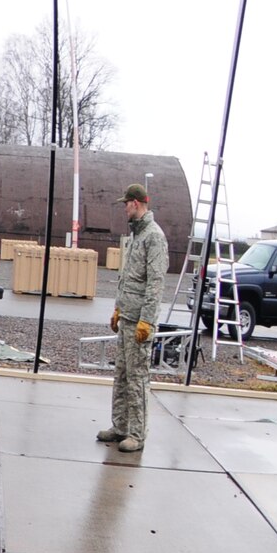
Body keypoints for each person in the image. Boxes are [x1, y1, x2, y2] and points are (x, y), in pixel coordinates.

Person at [99, 183, 167, 452]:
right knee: (122, 374)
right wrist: (118, 308)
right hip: (127, 316)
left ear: (136, 203)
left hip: (139, 320)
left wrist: (147, 320)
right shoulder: (137, 235)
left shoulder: (154, 236)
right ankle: (120, 427)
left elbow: (155, 283)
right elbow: (128, 278)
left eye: (126, 203)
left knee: (137, 377)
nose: (124, 208)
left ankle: (136, 434)